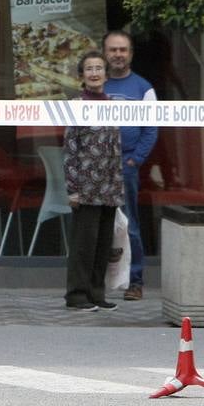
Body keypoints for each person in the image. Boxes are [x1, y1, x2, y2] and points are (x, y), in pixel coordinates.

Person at [63, 50, 124, 312]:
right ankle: (77, 296)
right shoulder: (77, 105)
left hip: (109, 189)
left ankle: (96, 293)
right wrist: (73, 190)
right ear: (82, 76)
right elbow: (70, 150)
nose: (95, 73)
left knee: (102, 246)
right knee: (83, 247)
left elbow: (116, 147)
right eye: (89, 69)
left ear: (106, 75)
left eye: (99, 68)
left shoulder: (111, 105)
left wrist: (118, 186)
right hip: (85, 189)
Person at [102, 30, 157, 301]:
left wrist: (134, 159)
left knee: (130, 225)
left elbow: (151, 130)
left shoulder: (143, 88)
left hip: (126, 166)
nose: (118, 54)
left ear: (131, 54)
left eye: (122, 50)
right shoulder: (96, 87)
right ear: (105, 53)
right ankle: (97, 281)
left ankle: (135, 283)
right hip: (98, 167)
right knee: (98, 225)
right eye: (113, 50)